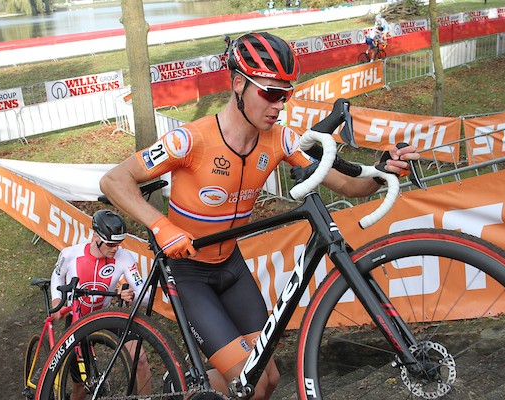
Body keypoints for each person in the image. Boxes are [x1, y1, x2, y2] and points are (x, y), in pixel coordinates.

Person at [100, 32, 419, 400]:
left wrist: (383, 171)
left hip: (231, 267)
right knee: (246, 385)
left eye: (286, 94)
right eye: (270, 93)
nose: (278, 105)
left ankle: (182, 390)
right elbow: (114, 180)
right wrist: (160, 225)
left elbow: (348, 186)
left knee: (265, 381)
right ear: (238, 84)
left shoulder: (279, 139)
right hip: (189, 272)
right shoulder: (190, 141)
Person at [50, 210, 150, 400]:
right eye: (111, 244)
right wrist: (57, 300)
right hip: (77, 320)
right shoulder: (70, 254)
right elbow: (57, 275)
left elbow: (142, 293)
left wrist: (132, 295)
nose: (115, 249)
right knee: (80, 388)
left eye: (118, 244)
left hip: (105, 315)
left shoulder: (124, 257)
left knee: (141, 360)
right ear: (95, 236)